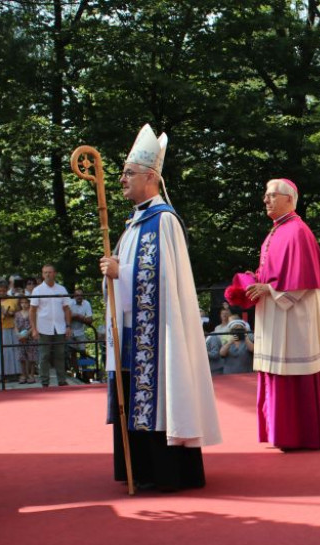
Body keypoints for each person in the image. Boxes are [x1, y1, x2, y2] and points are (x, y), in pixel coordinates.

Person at [99, 123, 221, 491]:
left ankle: (168, 470)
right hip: (133, 332)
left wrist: (122, 271)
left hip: (158, 335)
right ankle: (142, 468)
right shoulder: (134, 224)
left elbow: (163, 283)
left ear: (151, 178)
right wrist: (114, 274)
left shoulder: (163, 221)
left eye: (129, 173)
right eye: (122, 173)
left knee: (159, 393)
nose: (122, 179)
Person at [241, 178, 320, 451]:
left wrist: (268, 289)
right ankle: (278, 430)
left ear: (289, 199)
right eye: (265, 195)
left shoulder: (297, 231)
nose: (265, 200)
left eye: (271, 196)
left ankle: (297, 434)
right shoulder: (276, 231)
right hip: (276, 314)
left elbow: (301, 282)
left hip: (292, 316)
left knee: (292, 372)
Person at [29, 264, 73, 387]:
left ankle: (62, 381)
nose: (47, 275)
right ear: (42, 274)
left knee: (60, 354)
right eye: (45, 272)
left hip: (59, 327)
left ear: (55, 273)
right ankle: (44, 382)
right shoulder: (37, 290)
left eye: (50, 272)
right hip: (43, 327)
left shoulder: (61, 289)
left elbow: (67, 309)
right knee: (44, 355)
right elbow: (32, 310)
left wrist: (68, 326)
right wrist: (34, 329)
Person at [68, 288, 94, 366]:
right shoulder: (69, 303)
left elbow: (90, 320)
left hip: (80, 331)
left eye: (81, 295)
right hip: (70, 331)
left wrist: (77, 316)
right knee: (72, 352)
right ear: (74, 296)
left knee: (83, 352)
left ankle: (84, 372)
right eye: (77, 295)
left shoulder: (86, 304)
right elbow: (65, 317)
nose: (79, 297)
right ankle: (74, 371)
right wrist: (81, 318)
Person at [14, 298, 37, 383]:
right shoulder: (17, 314)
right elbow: (15, 326)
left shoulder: (32, 313)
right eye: (22, 302)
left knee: (32, 357)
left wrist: (27, 334)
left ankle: (31, 375)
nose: (24, 304)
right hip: (21, 338)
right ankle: (23, 374)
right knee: (22, 357)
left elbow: (34, 324)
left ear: (29, 303)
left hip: (30, 337)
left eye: (26, 302)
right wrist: (18, 335)